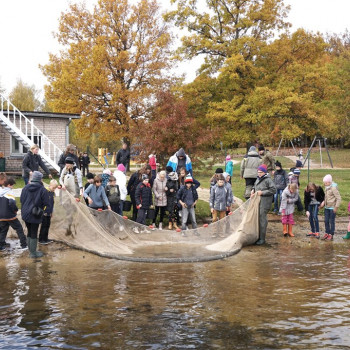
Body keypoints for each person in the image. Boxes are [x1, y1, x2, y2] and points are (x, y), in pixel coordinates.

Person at [20, 171, 50, 258]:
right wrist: (42, 210)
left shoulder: (25, 188)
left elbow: (21, 200)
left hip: (25, 213)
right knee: (33, 233)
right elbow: (46, 203)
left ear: (33, 178)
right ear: (40, 179)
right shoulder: (42, 189)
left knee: (29, 231)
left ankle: (31, 251)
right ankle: (33, 253)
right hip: (35, 214)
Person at [250, 164, 276, 245]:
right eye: (258, 172)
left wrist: (262, 192)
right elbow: (255, 186)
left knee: (262, 219)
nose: (259, 173)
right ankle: (257, 236)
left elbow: (273, 190)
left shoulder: (268, 180)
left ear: (264, 172)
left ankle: (262, 239)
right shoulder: (258, 179)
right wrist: (253, 190)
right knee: (257, 218)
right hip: (257, 201)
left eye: (261, 172)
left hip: (265, 202)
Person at [0, 177, 27, 251]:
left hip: (1, 215)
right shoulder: (9, 192)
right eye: (12, 185)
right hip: (9, 215)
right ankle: (24, 245)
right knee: (19, 228)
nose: (13, 187)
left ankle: (1, 246)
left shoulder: (1, 191)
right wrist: (15, 210)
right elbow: (12, 202)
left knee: (3, 230)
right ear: (9, 185)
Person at [320, 174, 341, 241]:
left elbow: (339, 198)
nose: (325, 184)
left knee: (331, 221)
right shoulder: (326, 188)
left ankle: (331, 234)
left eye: (326, 183)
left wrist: (336, 207)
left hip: (332, 208)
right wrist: (323, 202)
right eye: (324, 183)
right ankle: (327, 232)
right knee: (326, 221)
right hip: (327, 207)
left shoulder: (333, 188)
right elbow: (326, 197)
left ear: (329, 182)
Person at [39, 179, 59, 245]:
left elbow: (52, 203)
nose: (54, 189)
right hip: (44, 212)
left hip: (49, 212)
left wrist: (51, 212)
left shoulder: (52, 193)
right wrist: (43, 210)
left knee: (47, 225)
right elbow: (42, 202)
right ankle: (41, 239)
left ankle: (45, 238)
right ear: (50, 185)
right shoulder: (45, 191)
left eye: (55, 188)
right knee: (44, 226)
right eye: (53, 188)